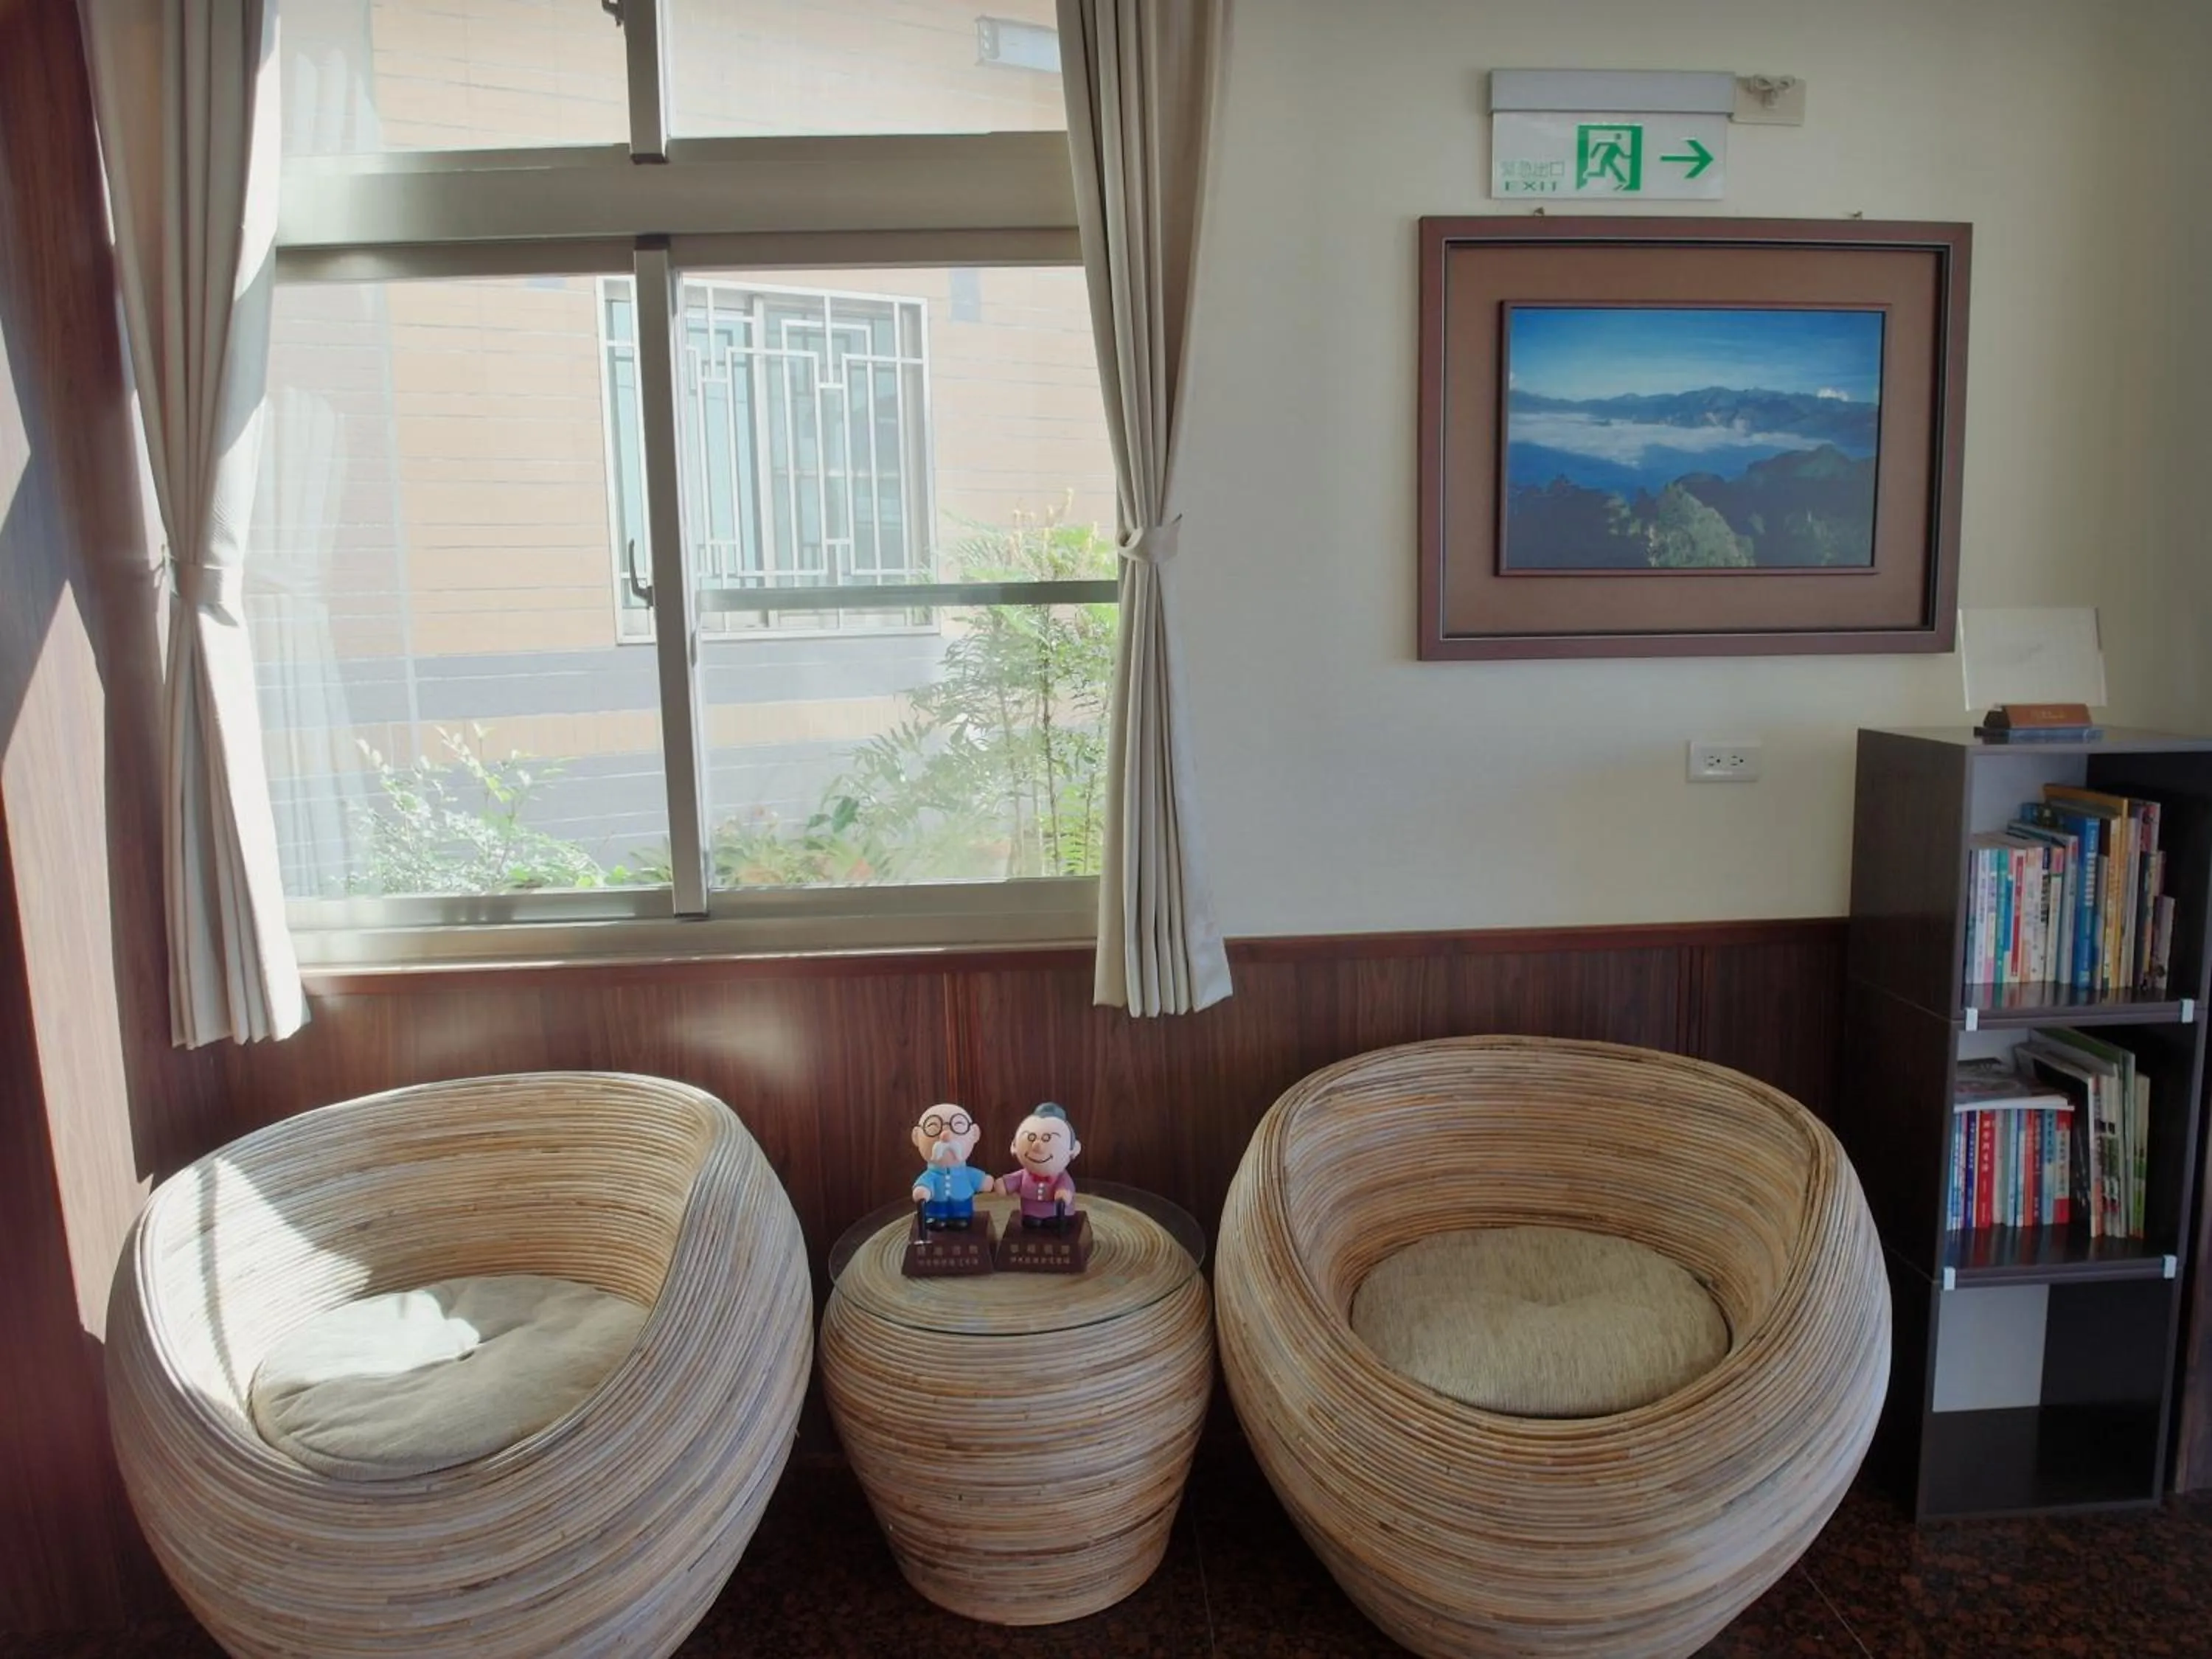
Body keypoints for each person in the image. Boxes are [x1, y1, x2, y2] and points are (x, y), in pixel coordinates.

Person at [998, 1103, 1082, 1230]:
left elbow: (1065, 1186)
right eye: (1031, 1137)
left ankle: (1051, 1219)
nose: (1037, 1146)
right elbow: (1015, 1179)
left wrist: (1063, 1194)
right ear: (1014, 1146)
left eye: (1047, 1138)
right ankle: (1033, 1218)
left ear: (1074, 1150)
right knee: (1031, 1224)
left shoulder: (1061, 1176)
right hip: (1030, 1210)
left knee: (1052, 1224)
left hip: (1055, 1211)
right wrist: (1004, 1184)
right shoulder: (1024, 1174)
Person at [910, 1105, 990, 1230]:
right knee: (936, 1220)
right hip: (936, 1206)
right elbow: (925, 1183)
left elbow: (978, 1179)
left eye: (958, 1126)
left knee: (962, 1219)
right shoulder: (931, 1176)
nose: (945, 1136)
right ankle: (937, 1218)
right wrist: (923, 1190)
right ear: (916, 1137)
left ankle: (960, 1217)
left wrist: (984, 1181)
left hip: (962, 1205)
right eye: (933, 1128)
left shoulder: (966, 1173)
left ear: (975, 1134)